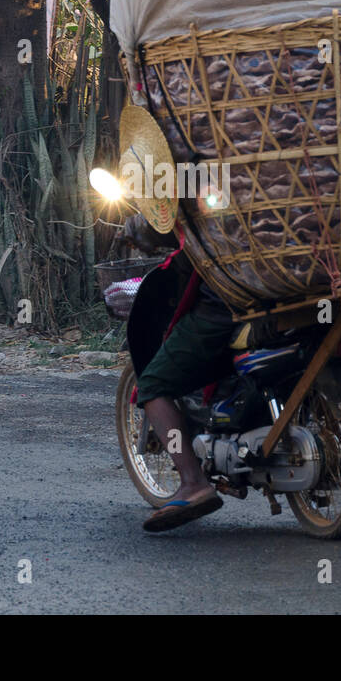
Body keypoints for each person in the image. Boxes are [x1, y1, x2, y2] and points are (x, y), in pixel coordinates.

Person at [120, 214, 238, 532]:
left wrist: (144, 230)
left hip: (231, 299)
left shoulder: (204, 169)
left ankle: (192, 481)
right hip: (310, 289)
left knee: (154, 384)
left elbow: (187, 223)